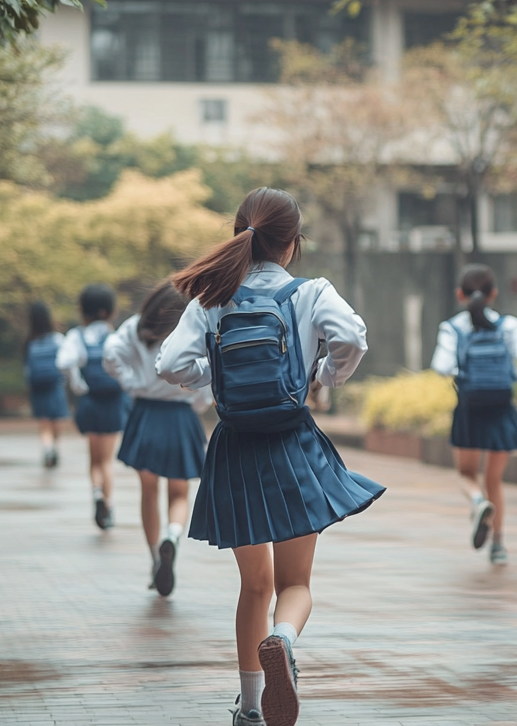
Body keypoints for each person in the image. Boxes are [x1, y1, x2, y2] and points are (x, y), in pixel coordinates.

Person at [157, 187, 384, 726]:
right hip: (292, 446)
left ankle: (251, 708)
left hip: (235, 448)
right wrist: (323, 378)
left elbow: (169, 364)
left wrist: (214, 377)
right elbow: (352, 337)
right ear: (291, 245)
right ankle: (282, 639)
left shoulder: (211, 299)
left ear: (241, 236)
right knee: (294, 585)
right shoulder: (310, 292)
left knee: (252, 586)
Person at [104, 281, 210, 598]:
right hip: (180, 416)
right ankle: (172, 538)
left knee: (148, 491)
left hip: (145, 415)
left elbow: (110, 355)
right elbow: (208, 369)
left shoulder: (137, 327)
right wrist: (199, 402)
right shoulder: (190, 328)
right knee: (179, 492)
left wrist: (131, 381)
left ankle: (154, 560)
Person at [430, 264, 517, 566]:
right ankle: (498, 546)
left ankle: (477, 503)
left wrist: (463, 372)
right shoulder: (510, 326)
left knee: (467, 474)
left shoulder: (452, 327)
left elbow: (441, 366)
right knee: (495, 480)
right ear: (494, 294)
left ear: (459, 295)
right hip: (502, 408)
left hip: (470, 408)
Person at [56, 284, 131, 531]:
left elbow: (64, 362)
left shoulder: (76, 335)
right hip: (112, 403)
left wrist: (79, 386)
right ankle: (107, 506)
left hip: (89, 403)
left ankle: (97, 495)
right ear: (110, 310)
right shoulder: (117, 335)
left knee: (94, 458)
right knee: (107, 461)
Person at [23, 301, 67, 469]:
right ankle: (55, 447)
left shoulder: (29, 342)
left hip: (37, 387)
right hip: (55, 385)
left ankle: (47, 447)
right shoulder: (57, 339)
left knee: (44, 421)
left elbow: (26, 369)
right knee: (56, 420)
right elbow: (64, 364)